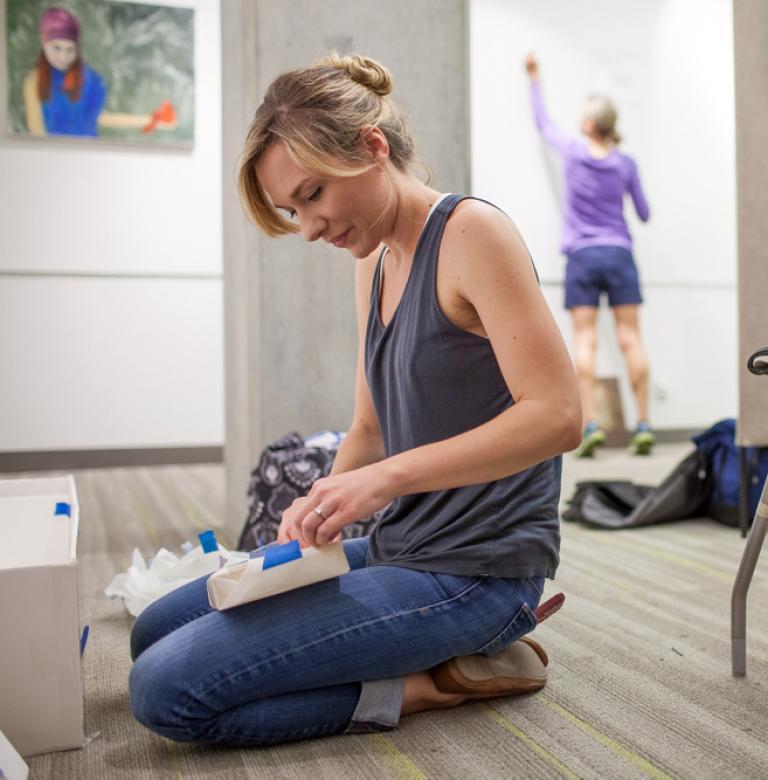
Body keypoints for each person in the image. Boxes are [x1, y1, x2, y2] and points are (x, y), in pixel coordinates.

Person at [127, 53, 582, 744]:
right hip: (401, 543)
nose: (307, 228)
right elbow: (368, 425)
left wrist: (383, 481)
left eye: (311, 195)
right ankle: (402, 654)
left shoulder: (472, 234)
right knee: (152, 632)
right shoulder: (371, 258)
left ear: (372, 148)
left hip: (477, 575)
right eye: (291, 209)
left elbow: (557, 417)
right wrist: (322, 505)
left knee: (163, 691)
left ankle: (419, 687)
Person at [524, 53, 655, 457]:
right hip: (618, 254)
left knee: (585, 340)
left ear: (587, 125)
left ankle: (591, 423)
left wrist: (534, 79)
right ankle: (644, 423)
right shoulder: (625, 163)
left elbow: (543, 124)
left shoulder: (574, 151)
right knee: (631, 339)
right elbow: (645, 214)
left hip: (582, 256)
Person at [22, 6, 173, 138]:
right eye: (56, 48)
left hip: (89, 157)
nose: (63, 56)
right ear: (43, 43)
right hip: (49, 158)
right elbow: (36, 131)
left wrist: (151, 119)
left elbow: (99, 117)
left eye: (70, 50)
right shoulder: (33, 80)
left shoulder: (89, 79)